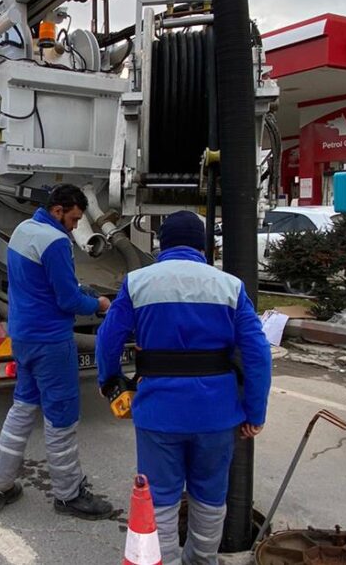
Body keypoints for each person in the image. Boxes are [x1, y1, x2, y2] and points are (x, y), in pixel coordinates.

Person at [96, 211, 272, 564]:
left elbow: (107, 341)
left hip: (159, 413)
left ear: (163, 243)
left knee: (160, 497)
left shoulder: (137, 283)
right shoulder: (229, 286)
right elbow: (258, 354)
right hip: (217, 414)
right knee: (210, 495)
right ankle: (202, 559)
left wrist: (110, 382)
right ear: (201, 245)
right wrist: (255, 411)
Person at [0, 184, 114, 520]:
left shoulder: (22, 231)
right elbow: (68, 300)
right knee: (62, 418)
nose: (74, 226)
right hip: (51, 342)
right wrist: (98, 303)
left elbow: (39, 284)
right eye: (72, 219)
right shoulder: (56, 241)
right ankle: (69, 494)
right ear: (59, 210)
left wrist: (78, 289)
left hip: (23, 337)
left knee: (23, 409)